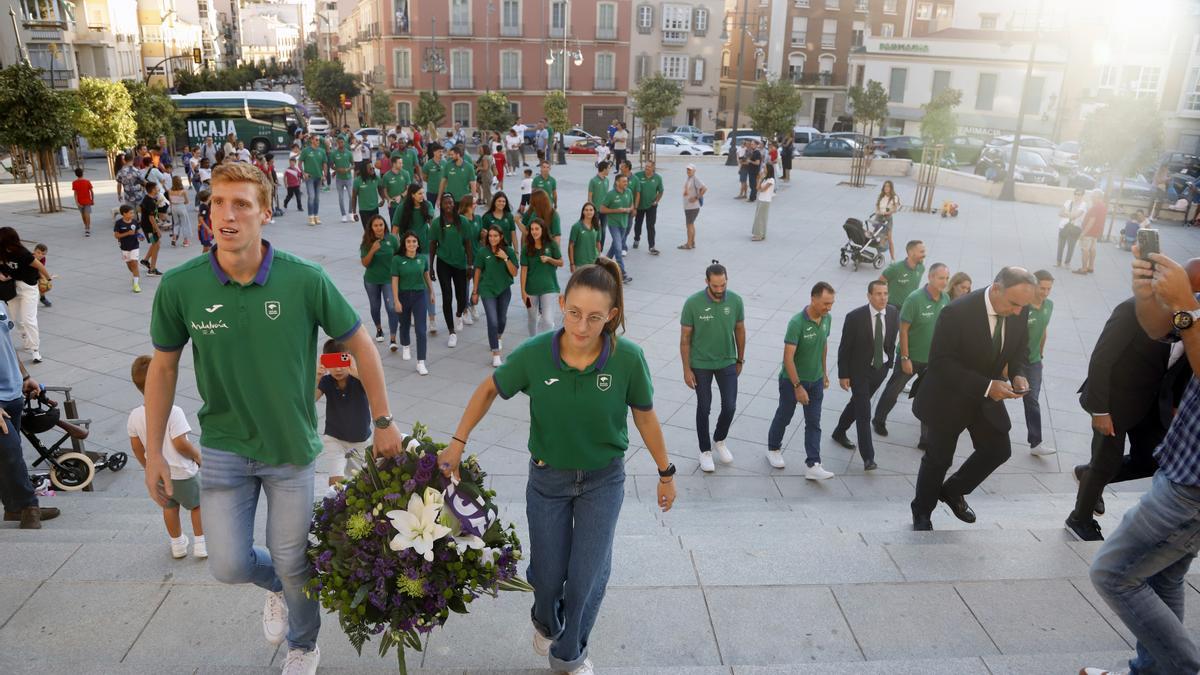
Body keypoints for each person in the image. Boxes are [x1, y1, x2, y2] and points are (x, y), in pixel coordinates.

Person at [142, 162, 403, 673]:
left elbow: (361, 344)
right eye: (218, 202)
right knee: (228, 565)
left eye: (240, 204)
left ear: (265, 212)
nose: (227, 214)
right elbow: (163, 368)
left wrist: (385, 419)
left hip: (290, 448)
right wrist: (154, 450)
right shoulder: (180, 286)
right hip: (223, 445)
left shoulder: (305, 280)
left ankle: (303, 643)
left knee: (292, 557)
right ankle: (282, 589)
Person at [437, 259, 675, 675]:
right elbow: (490, 388)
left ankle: (569, 655)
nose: (582, 327)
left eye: (595, 318)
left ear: (612, 316)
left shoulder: (628, 359)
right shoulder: (535, 355)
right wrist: (458, 441)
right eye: (574, 313)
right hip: (548, 481)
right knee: (547, 578)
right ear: (562, 304)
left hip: (604, 480)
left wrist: (665, 472)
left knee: (586, 578)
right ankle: (545, 620)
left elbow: (645, 416)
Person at [1083, 247, 1200, 675]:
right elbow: (1160, 330)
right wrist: (1148, 294)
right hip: (1182, 462)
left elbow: (1188, 325)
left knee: (1112, 573)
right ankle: (1152, 670)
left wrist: (1188, 307)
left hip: (1192, 488)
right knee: (1162, 575)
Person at [910, 267, 1037, 530]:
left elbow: (1019, 351)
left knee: (999, 449)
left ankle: (953, 490)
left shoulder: (1019, 309)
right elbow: (941, 363)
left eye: (1023, 306)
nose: (1018, 312)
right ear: (996, 288)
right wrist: (988, 386)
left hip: (984, 397)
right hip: (949, 395)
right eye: (1014, 304)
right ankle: (922, 513)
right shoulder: (956, 313)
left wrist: (1018, 374)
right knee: (938, 459)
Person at [1067, 296, 1190, 542]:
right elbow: (1102, 358)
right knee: (1105, 461)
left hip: (1153, 404)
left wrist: (1175, 404)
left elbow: (1185, 366)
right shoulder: (1134, 309)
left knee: (1152, 460)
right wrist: (1101, 410)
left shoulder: (1192, 321)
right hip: (1114, 400)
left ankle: (1088, 475)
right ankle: (1079, 519)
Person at [127, 355, 204, 559]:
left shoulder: (135, 415)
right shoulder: (174, 411)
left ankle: (177, 544)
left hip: (160, 475)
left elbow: (135, 447)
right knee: (197, 506)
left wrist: (148, 465)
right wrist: (197, 456)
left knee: (170, 508)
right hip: (182, 472)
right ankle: (201, 542)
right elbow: (181, 443)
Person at [871, 263, 949, 448]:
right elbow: (903, 330)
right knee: (893, 391)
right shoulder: (914, 299)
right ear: (930, 277)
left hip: (932, 360)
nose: (944, 282)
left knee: (928, 397)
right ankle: (879, 419)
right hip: (911, 357)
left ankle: (925, 438)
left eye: (946, 278)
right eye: (941, 278)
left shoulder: (946, 299)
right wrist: (905, 358)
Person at [681, 261, 746, 473]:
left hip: (727, 360)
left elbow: (740, 330)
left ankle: (719, 439)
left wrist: (740, 359)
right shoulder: (693, 303)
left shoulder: (736, 301)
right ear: (707, 282)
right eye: (715, 286)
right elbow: (685, 339)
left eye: (723, 285)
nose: (720, 290)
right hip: (700, 363)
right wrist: (686, 369)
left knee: (730, 406)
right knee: (704, 406)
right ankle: (705, 450)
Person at [830, 280, 898, 473]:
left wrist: (888, 364)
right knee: (863, 412)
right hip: (860, 371)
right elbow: (845, 348)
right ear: (869, 296)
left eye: (885, 293)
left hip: (880, 369)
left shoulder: (893, 313)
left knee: (858, 403)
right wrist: (843, 375)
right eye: (878, 294)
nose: (883, 297)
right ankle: (868, 457)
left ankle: (839, 431)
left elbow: (891, 341)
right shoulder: (855, 317)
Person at [767, 282, 835, 471]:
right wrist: (798, 387)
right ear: (813, 299)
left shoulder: (827, 319)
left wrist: (824, 372)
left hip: (816, 380)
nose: (828, 308)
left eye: (831, 304)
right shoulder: (796, 323)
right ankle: (773, 448)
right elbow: (787, 357)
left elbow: (823, 345)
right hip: (792, 381)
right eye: (825, 303)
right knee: (785, 415)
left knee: (814, 422)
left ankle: (814, 464)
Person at [0, 301, 53, 529]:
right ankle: (30, 507)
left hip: (12, 394)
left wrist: (24, 376)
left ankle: (14, 508)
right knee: (11, 452)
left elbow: (7, 346)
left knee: (7, 456)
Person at [314, 340, 371, 489]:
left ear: (350, 359)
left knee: (361, 481)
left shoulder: (358, 380)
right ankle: (333, 506)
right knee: (336, 482)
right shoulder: (326, 381)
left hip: (360, 440)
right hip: (334, 437)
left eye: (342, 361)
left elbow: (373, 390)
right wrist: (316, 378)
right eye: (332, 363)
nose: (338, 369)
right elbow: (310, 400)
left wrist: (357, 372)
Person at [430, 193, 474, 348]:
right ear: (441, 206)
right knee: (447, 296)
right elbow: (432, 245)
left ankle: (459, 314)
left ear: (454, 205)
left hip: (460, 263)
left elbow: (468, 244)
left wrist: (470, 265)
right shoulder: (437, 223)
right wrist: (430, 267)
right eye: (445, 203)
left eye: (450, 203)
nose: (448, 206)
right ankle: (451, 332)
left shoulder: (462, 222)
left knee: (462, 297)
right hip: (443, 263)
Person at [395, 184, 439, 336]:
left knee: (427, 284)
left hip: (424, 249)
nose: (422, 195)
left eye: (423, 193)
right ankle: (412, 313)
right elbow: (395, 230)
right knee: (408, 284)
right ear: (412, 195)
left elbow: (433, 222)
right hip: (407, 250)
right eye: (419, 193)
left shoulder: (427, 205)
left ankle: (432, 318)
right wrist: (396, 251)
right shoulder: (402, 208)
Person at [0, 228, 47, 364]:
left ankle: (35, 350)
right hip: (11, 289)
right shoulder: (1, 251)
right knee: (15, 319)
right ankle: (25, 336)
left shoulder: (23, 253)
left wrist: (47, 279)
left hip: (28, 288)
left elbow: (39, 266)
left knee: (28, 319)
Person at [391, 230, 435, 375]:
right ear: (404, 244)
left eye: (414, 241)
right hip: (403, 295)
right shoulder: (397, 260)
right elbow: (395, 281)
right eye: (408, 241)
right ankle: (405, 345)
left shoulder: (422, 258)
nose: (411, 244)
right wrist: (396, 300)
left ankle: (421, 361)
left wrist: (432, 292)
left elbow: (426, 275)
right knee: (404, 324)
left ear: (418, 243)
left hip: (419, 295)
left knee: (421, 330)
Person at [1022, 270, 1056, 457]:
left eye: (1048, 289)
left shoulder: (1049, 306)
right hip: (1014, 360)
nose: (1044, 292)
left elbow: (1043, 331)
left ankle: (1035, 442)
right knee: (990, 394)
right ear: (1033, 285)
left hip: (1034, 361)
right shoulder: (1022, 306)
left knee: (1032, 400)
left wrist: (1040, 355)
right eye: (1042, 288)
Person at [473, 225, 517, 367]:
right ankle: (496, 353)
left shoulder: (508, 251)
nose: (492, 238)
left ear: (501, 237)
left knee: (502, 320)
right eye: (490, 236)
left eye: (495, 236)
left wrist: (505, 258)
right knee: (492, 321)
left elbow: (514, 272)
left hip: (504, 289)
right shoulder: (482, 252)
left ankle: (497, 337)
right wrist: (475, 291)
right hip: (487, 290)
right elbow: (478, 271)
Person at [360, 215, 400, 350]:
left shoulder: (392, 240)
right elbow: (365, 263)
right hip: (372, 280)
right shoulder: (367, 242)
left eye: (381, 225)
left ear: (385, 226)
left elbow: (398, 257)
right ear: (371, 228)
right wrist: (372, 250)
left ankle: (393, 339)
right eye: (376, 226)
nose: (379, 228)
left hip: (388, 280)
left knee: (391, 308)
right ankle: (379, 329)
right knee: (375, 306)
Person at [521, 218, 564, 335]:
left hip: (549, 287)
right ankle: (532, 341)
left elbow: (561, 262)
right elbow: (523, 270)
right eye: (532, 229)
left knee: (548, 321)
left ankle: (547, 342)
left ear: (543, 230)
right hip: (530, 290)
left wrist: (549, 259)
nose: (534, 231)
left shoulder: (552, 244)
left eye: (537, 229)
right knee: (532, 317)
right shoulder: (526, 248)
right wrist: (523, 292)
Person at [601, 173, 635, 284]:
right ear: (617, 182)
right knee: (618, 248)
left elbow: (632, 205)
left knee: (614, 247)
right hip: (613, 224)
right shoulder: (611, 194)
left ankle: (602, 266)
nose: (626, 183)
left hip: (624, 224)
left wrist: (628, 209)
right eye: (624, 181)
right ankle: (623, 274)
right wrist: (617, 210)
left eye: (627, 181)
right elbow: (602, 209)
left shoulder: (628, 192)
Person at [879, 240, 926, 309]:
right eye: (921, 252)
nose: (924, 254)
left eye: (924, 251)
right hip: (893, 308)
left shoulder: (921, 268)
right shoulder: (895, 268)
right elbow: (879, 284)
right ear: (910, 253)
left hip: (909, 308)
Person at [632, 161, 664, 254]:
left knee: (650, 226)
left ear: (653, 168)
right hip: (639, 205)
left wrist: (656, 201)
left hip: (651, 206)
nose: (646, 169)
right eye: (645, 167)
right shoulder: (637, 175)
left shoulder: (658, 178)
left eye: (648, 167)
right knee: (638, 224)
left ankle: (651, 246)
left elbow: (661, 191)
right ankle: (636, 239)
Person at [1076, 190, 1107, 275]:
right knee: (1092, 249)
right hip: (1096, 232)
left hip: (1089, 232)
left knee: (1085, 249)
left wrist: (1083, 233)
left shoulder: (1095, 207)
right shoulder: (1103, 206)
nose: (1092, 198)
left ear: (1098, 197)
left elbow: (1091, 221)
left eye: (1093, 197)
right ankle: (1091, 267)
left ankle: (1084, 268)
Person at [1056, 188, 1087, 269]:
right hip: (1063, 226)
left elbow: (1076, 216)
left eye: (1079, 194)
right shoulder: (1068, 202)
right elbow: (1060, 213)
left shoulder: (1083, 205)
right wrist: (1071, 214)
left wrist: (1066, 213)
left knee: (1071, 246)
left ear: (1082, 195)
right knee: (1060, 245)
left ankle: (1067, 263)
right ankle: (1058, 262)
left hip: (1075, 227)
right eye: (1076, 194)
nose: (1077, 196)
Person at [299, 135, 327, 225]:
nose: (318, 141)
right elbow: (299, 163)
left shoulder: (322, 151)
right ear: (312, 140)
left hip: (319, 177)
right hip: (309, 177)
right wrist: (304, 173)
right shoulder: (306, 151)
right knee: (311, 196)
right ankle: (310, 217)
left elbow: (324, 164)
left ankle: (316, 216)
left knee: (317, 198)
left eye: (319, 140)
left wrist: (324, 175)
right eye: (316, 140)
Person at [114, 205, 143, 293]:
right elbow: (116, 235)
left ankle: (136, 285)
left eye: (133, 212)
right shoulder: (119, 223)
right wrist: (127, 233)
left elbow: (137, 232)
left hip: (134, 245)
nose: (133, 214)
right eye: (131, 213)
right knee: (130, 266)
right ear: (124, 214)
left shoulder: (134, 222)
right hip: (124, 247)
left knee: (134, 263)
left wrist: (140, 236)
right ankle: (135, 276)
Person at [569, 203, 603, 272]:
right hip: (580, 264)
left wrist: (599, 258)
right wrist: (572, 264)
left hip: (593, 262)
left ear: (594, 212)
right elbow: (571, 246)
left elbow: (598, 243)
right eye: (586, 210)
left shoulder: (597, 225)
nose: (589, 212)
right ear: (583, 212)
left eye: (591, 210)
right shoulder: (576, 227)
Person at [680, 164, 706, 250]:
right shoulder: (689, 178)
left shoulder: (695, 178)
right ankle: (692, 242)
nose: (688, 171)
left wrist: (696, 198)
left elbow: (704, 188)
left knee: (689, 225)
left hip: (692, 207)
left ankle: (689, 244)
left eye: (690, 170)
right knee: (691, 224)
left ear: (694, 171)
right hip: (689, 206)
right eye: (687, 170)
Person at [329, 137, 355, 223]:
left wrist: (348, 169)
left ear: (344, 143)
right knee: (340, 198)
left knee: (351, 196)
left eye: (342, 142)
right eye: (339, 142)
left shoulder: (349, 153)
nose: (341, 144)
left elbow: (354, 164)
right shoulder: (334, 153)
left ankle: (351, 213)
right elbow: (331, 165)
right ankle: (343, 215)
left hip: (348, 178)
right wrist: (336, 169)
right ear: (337, 143)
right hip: (339, 179)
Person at [351, 162, 383, 229]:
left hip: (375, 209)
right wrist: (354, 212)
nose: (372, 170)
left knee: (376, 230)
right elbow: (354, 197)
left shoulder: (376, 178)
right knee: (368, 231)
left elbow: (380, 189)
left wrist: (383, 199)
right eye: (370, 169)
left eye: (373, 168)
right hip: (364, 210)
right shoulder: (357, 181)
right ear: (364, 170)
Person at [875, 181, 901, 261]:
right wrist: (878, 211)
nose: (886, 188)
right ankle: (879, 255)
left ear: (891, 188)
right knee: (877, 237)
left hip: (887, 218)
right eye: (885, 186)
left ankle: (892, 258)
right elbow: (877, 206)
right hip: (879, 217)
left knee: (889, 238)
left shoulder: (894, 197)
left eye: (888, 186)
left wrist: (887, 212)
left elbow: (895, 209)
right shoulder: (881, 196)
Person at [749, 164, 775, 241]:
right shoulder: (764, 178)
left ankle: (759, 235)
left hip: (765, 201)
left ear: (768, 169)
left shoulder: (771, 180)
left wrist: (760, 184)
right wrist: (760, 179)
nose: (763, 169)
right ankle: (761, 234)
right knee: (759, 217)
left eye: (765, 168)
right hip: (761, 199)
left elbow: (763, 189)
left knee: (761, 218)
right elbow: (757, 188)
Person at [588, 162, 611, 249]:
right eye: (608, 168)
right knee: (595, 230)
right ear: (604, 169)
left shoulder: (607, 180)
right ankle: (593, 249)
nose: (609, 170)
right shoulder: (593, 181)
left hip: (604, 210)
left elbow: (606, 196)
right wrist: (592, 210)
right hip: (596, 211)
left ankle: (600, 250)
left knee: (603, 230)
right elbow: (590, 197)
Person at [168, 176, 192, 248]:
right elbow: (187, 201)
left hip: (174, 207)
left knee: (176, 223)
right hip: (181, 207)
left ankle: (174, 238)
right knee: (185, 223)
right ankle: (185, 241)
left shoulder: (169, 191)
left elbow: (170, 201)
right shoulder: (183, 191)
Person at [71, 167, 94, 237]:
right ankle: (87, 228)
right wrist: (92, 200)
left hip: (79, 201)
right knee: (87, 214)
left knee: (83, 215)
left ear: (76, 174)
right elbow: (92, 192)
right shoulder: (87, 182)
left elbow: (75, 194)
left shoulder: (74, 183)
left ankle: (86, 227)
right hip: (87, 200)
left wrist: (77, 202)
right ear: (82, 173)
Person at [196, 188, 213, 253]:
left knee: (206, 246)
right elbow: (201, 219)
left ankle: (204, 258)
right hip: (204, 231)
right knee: (207, 247)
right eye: (210, 195)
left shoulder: (207, 205)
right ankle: (203, 260)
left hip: (205, 230)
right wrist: (208, 229)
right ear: (208, 197)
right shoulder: (204, 207)